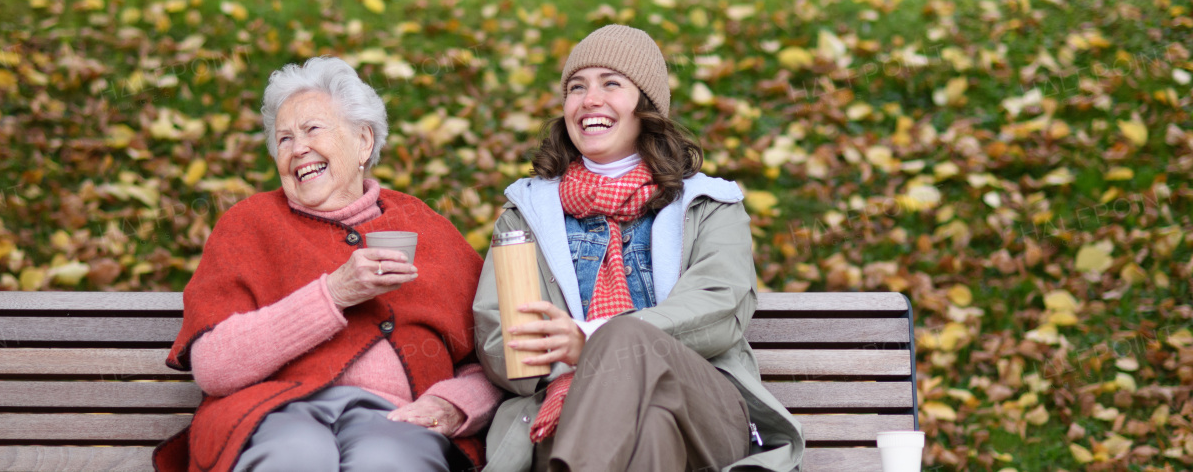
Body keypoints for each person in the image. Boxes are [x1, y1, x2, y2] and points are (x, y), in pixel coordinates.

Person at [473, 25, 804, 472]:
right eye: (576, 87)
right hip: (564, 414)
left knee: (626, 339)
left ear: (646, 105)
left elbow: (720, 307)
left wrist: (589, 343)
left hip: (705, 416)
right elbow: (500, 340)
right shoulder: (524, 216)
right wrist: (569, 367)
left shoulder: (709, 205)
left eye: (611, 83)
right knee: (649, 427)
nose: (590, 100)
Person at [153, 57, 501, 472]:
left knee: (390, 461)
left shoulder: (427, 229)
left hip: (397, 420)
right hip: (273, 412)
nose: (298, 148)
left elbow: (493, 361)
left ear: (363, 141)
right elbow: (213, 367)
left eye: (313, 129)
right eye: (283, 139)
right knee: (296, 455)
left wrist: (454, 405)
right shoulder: (248, 226)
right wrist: (333, 294)